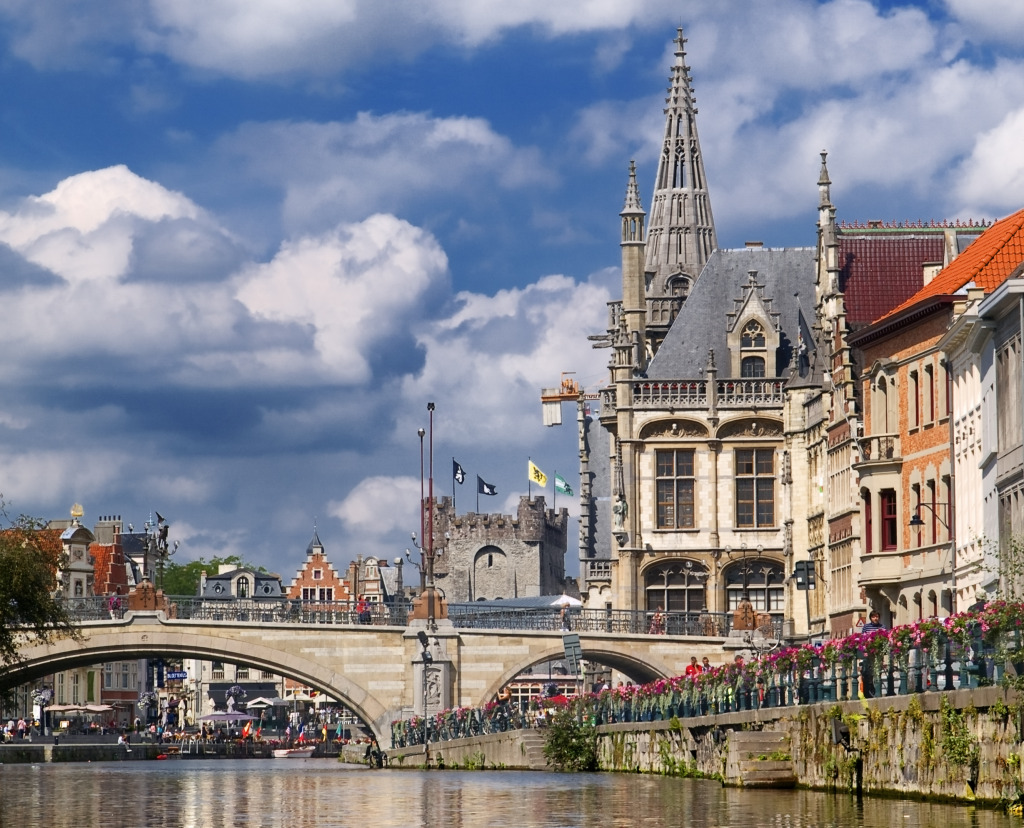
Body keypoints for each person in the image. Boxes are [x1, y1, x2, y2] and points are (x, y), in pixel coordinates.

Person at [860, 610, 887, 698]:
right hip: (869, 653)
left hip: (878, 653)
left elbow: (885, 638)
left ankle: (877, 689)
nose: (875, 618)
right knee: (868, 672)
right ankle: (870, 689)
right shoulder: (866, 627)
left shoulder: (882, 627)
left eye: (877, 617)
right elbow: (863, 639)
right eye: (873, 617)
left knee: (878, 670)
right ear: (871, 618)